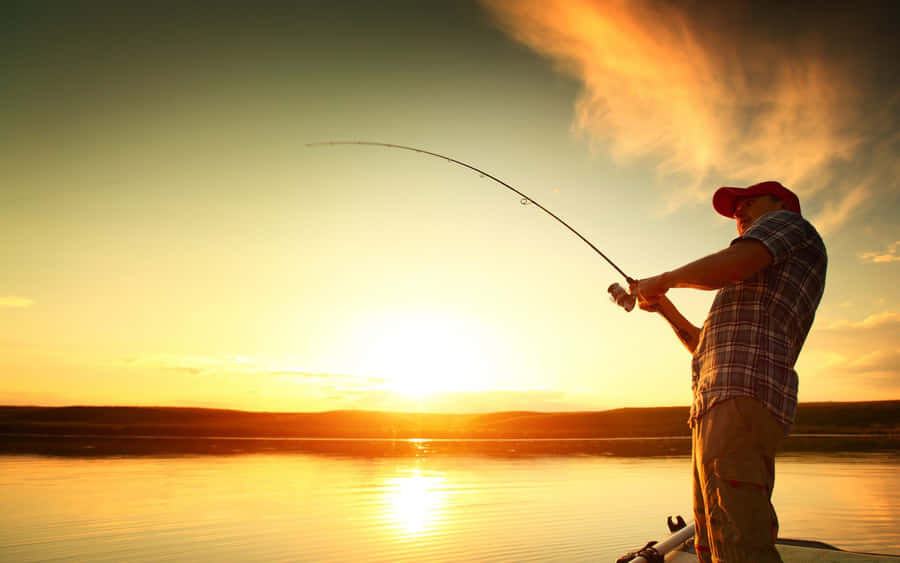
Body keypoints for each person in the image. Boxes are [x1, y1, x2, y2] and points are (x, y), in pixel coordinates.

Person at [630, 180, 827, 563]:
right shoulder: (755, 276)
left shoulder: (788, 225)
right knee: (714, 538)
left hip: (739, 398)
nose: (739, 212)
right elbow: (704, 347)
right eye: (737, 210)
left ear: (781, 203)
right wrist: (665, 306)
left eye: (749, 202)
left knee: (739, 543)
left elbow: (731, 265)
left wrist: (664, 279)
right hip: (717, 405)